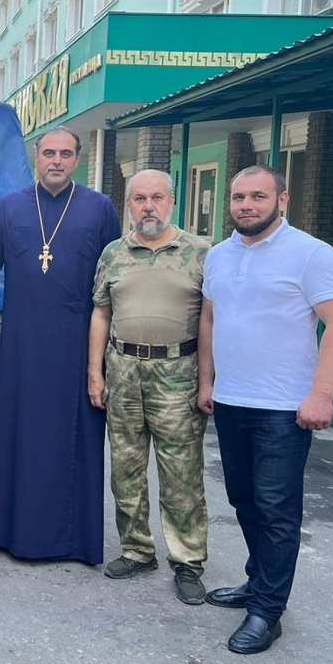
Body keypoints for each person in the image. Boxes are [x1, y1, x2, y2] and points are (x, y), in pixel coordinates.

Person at [198, 165, 333, 654]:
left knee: (276, 509)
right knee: (244, 500)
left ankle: (268, 611)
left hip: (284, 409)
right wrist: (207, 381)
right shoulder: (219, 256)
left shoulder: (312, 254)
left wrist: (321, 395)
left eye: (259, 196)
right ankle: (257, 580)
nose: (247, 205)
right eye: (239, 197)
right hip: (231, 401)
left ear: (282, 200)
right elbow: (209, 320)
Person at [0, 126, 120, 563]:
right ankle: (4, 531)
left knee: (73, 440)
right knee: (18, 433)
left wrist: (110, 348)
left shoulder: (99, 207)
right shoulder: (8, 208)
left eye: (66, 154)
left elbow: (114, 278)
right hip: (22, 343)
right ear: (37, 157)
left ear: (77, 160)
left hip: (78, 344)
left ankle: (74, 539)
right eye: (49, 153)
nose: (56, 160)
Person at [88, 169, 211, 604]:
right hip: (123, 369)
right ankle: (137, 549)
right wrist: (95, 372)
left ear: (172, 201)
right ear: (128, 205)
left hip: (178, 372)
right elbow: (100, 313)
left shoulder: (199, 252)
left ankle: (188, 561)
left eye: (156, 197)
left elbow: (212, 320)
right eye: (139, 199)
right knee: (125, 467)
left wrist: (208, 381)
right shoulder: (114, 254)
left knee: (181, 472)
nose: (148, 207)